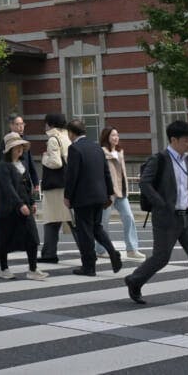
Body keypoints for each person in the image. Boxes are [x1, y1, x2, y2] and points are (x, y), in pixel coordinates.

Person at [125, 119, 188, 315]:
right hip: (166, 218)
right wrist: (160, 204)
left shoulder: (185, 160)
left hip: (186, 218)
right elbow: (145, 183)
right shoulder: (159, 159)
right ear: (174, 140)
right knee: (161, 258)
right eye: (187, 140)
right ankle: (135, 280)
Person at [63, 118, 122, 276]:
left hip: (83, 196)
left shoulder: (74, 149)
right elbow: (106, 172)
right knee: (97, 227)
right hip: (100, 195)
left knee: (85, 231)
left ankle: (89, 266)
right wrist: (109, 194)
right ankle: (112, 252)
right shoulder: (97, 148)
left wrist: (67, 196)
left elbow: (72, 175)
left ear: (71, 133)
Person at [0, 132, 47, 280]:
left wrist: (33, 202)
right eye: (16, 147)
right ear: (9, 149)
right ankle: (4, 268)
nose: (20, 149)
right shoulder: (3, 166)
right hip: (7, 208)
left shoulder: (22, 165)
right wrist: (20, 204)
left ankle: (33, 269)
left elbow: (28, 186)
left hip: (24, 205)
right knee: (4, 238)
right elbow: (8, 188)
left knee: (32, 237)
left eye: (21, 146)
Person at [99, 127, 144, 260]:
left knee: (128, 217)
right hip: (108, 192)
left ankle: (132, 249)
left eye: (117, 135)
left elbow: (122, 171)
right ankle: (101, 249)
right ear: (106, 137)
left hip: (121, 191)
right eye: (113, 135)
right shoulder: (102, 152)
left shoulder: (120, 151)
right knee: (103, 222)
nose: (116, 138)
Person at [37, 112, 72, 264]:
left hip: (54, 187)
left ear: (50, 124)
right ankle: (88, 251)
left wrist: (44, 158)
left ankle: (49, 253)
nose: (45, 126)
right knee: (70, 219)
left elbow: (56, 162)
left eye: (46, 123)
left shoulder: (53, 138)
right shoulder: (67, 137)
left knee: (51, 220)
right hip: (67, 183)